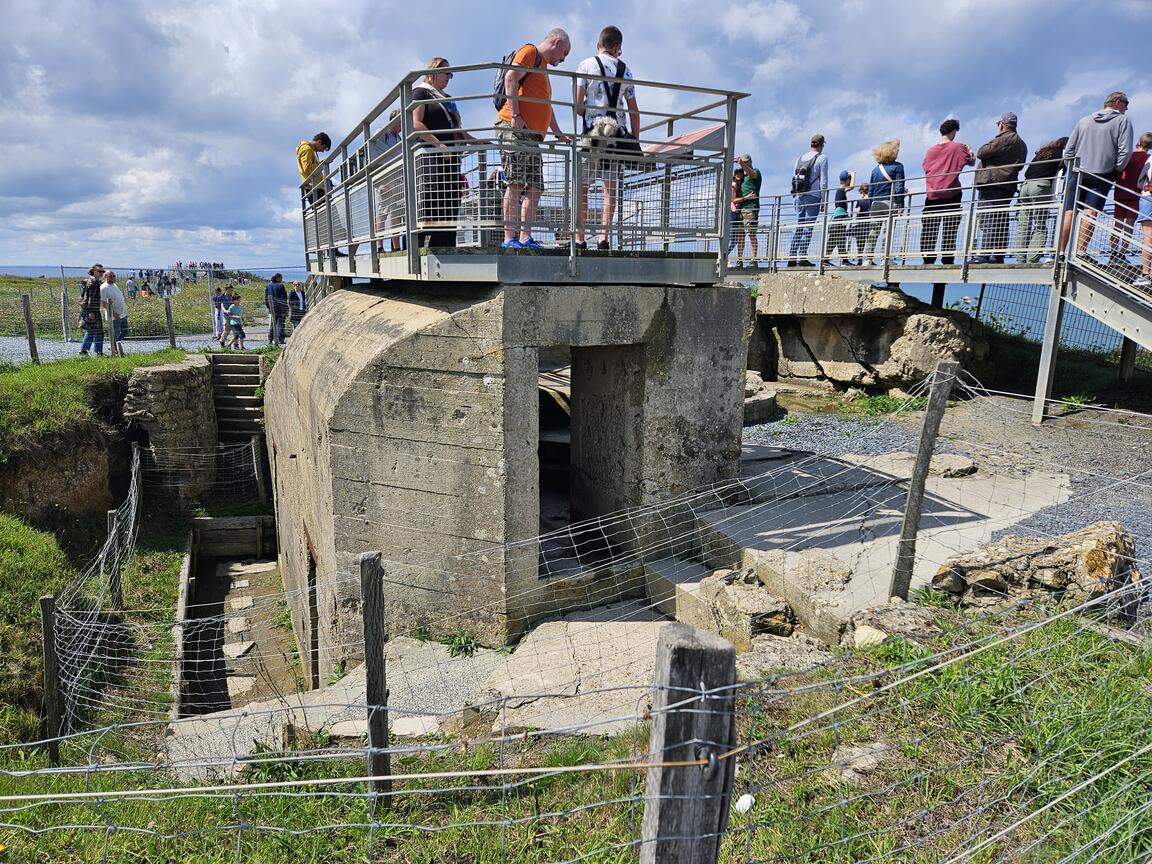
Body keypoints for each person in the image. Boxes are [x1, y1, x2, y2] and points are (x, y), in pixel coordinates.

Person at [495, 28, 572, 248]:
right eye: (564, 53)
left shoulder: (544, 68)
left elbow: (545, 105)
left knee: (536, 186)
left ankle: (525, 236)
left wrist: (557, 133)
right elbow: (511, 77)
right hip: (515, 127)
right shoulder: (530, 52)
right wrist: (516, 115)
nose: (563, 59)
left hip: (531, 135)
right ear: (556, 43)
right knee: (516, 182)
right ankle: (510, 238)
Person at [574, 25, 640, 251]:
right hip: (615, 137)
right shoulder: (626, 71)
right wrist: (634, 140)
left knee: (582, 187)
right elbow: (634, 110)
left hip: (591, 136)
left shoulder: (585, 65)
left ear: (598, 44)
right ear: (617, 47)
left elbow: (578, 106)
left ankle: (580, 238)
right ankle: (604, 238)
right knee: (609, 190)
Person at [412, 58, 478, 249]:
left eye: (451, 74)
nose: (449, 77)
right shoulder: (421, 92)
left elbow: (457, 129)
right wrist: (439, 145)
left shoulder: (447, 99)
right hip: (431, 157)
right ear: (433, 72)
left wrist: (476, 141)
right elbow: (417, 124)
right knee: (431, 202)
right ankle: (417, 250)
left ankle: (445, 249)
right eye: (446, 73)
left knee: (450, 204)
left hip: (451, 158)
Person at [1060, 92, 1134, 257]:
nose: (1127, 108)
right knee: (1090, 213)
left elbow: (1068, 150)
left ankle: (1059, 252)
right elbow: (1125, 151)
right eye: (1125, 103)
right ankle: (1080, 252)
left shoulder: (1084, 121)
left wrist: (1072, 168)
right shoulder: (1123, 121)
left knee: (1069, 212)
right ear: (1117, 102)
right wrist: (1116, 169)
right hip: (1102, 174)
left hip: (1077, 173)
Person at [971, 112, 1028, 264]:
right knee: (1000, 221)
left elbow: (981, 152)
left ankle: (983, 255)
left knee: (989, 219)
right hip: (1007, 185)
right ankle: (997, 255)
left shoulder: (1004, 138)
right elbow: (1021, 165)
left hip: (993, 184)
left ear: (1002, 124)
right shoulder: (1022, 144)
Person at [921, 118, 975, 265]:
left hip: (932, 194)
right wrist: (970, 150)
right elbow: (971, 161)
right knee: (950, 229)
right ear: (953, 131)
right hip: (952, 194)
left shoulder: (930, 150)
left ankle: (928, 259)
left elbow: (925, 167)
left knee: (929, 229)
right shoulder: (957, 147)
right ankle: (947, 259)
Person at [297, 132, 352, 257]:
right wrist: (322, 165)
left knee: (327, 219)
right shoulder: (306, 149)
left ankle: (331, 250)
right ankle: (333, 250)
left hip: (316, 188)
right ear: (319, 142)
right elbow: (307, 169)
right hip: (315, 189)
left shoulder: (307, 149)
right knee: (329, 219)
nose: (322, 151)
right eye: (324, 148)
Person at [1017, 138, 1068, 264]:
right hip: (1040, 187)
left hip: (1025, 186)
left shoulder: (1043, 153)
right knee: (1040, 225)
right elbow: (1064, 171)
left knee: (1023, 224)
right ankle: (1032, 259)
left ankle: (1020, 259)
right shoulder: (1062, 154)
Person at [788, 134, 828, 266]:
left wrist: (795, 197)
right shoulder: (822, 158)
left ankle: (792, 258)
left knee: (798, 226)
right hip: (814, 196)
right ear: (822, 145)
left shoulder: (799, 159)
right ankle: (802, 258)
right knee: (808, 228)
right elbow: (823, 182)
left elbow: (794, 178)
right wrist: (824, 200)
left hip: (799, 195)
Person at [368, 109, 404, 253]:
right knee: (382, 213)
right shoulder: (381, 133)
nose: (402, 126)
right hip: (384, 178)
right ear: (393, 121)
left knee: (396, 214)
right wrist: (378, 183)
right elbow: (373, 159)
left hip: (397, 179)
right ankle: (379, 247)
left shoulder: (399, 139)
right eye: (400, 122)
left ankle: (396, 246)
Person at [1113, 131, 1151, 263]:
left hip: (1119, 193)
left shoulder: (1127, 156)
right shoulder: (1148, 159)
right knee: (1129, 225)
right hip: (1135, 195)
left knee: (1117, 224)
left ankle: (1113, 253)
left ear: (1138, 143)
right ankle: (1121, 254)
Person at [867, 140, 906, 264]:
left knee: (873, 232)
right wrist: (900, 204)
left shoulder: (875, 170)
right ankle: (885, 259)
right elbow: (899, 188)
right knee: (887, 232)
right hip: (889, 202)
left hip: (875, 204)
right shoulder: (898, 167)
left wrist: (870, 206)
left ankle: (867, 259)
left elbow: (871, 191)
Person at [734, 154, 764, 263]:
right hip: (741, 209)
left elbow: (752, 174)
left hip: (751, 208)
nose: (744, 164)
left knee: (751, 233)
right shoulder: (741, 175)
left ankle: (753, 259)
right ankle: (739, 259)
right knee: (741, 235)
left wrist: (742, 163)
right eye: (743, 162)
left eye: (746, 162)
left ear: (750, 162)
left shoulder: (755, 172)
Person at [826, 170, 856, 265]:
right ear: (847, 180)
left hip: (838, 217)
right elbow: (851, 187)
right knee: (835, 239)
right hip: (840, 217)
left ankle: (844, 260)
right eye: (849, 179)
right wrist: (854, 175)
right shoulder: (841, 189)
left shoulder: (839, 190)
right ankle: (826, 260)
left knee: (839, 239)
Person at [78, 263, 105, 356]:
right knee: (98, 331)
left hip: (90, 309)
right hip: (92, 309)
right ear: (94, 271)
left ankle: (84, 350)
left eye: (103, 271)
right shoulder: (93, 282)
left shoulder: (89, 281)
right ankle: (98, 352)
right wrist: (91, 312)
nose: (101, 273)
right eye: (99, 271)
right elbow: (90, 298)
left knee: (91, 330)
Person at [100, 270, 129, 356]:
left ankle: (113, 344)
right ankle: (114, 348)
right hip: (114, 315)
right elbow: (103, 302)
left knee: (125, 331)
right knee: (115, 332)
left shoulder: (115, 285)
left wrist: (125, 312)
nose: (112, 277)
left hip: (122, 313)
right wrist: (113, 313)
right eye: (110, 276)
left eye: (113, 276)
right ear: (105, 277)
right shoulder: (103, 288)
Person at [1134, 158, 1152, 289]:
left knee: (1148, 236)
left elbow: (1140, 182)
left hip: (1148, 196)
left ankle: (1145, 274)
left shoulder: (1150, 159)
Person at [264, 273, 288, 346]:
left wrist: (269, 307)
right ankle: (281, 339)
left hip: (272, 308)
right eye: (281, 278)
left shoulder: (268, 286)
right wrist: (285, 308)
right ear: (277, 278)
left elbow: (266, 298)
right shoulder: (281, 286)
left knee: (272, 324)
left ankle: (270, 339)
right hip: (281, 308)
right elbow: (284, 298)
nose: (282, 279)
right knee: (281, 324)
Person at [727, 166, 745, 265]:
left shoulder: (739, 184)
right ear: (734, 175)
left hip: (735, 213)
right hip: (732, 213)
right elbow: (733, 200)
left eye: (740, 173)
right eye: (737, 173)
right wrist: (746, 198)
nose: (739, 174)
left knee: (734, 240)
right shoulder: (734, 184)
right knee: (731, 238)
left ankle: (724, 257)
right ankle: (723, 257)